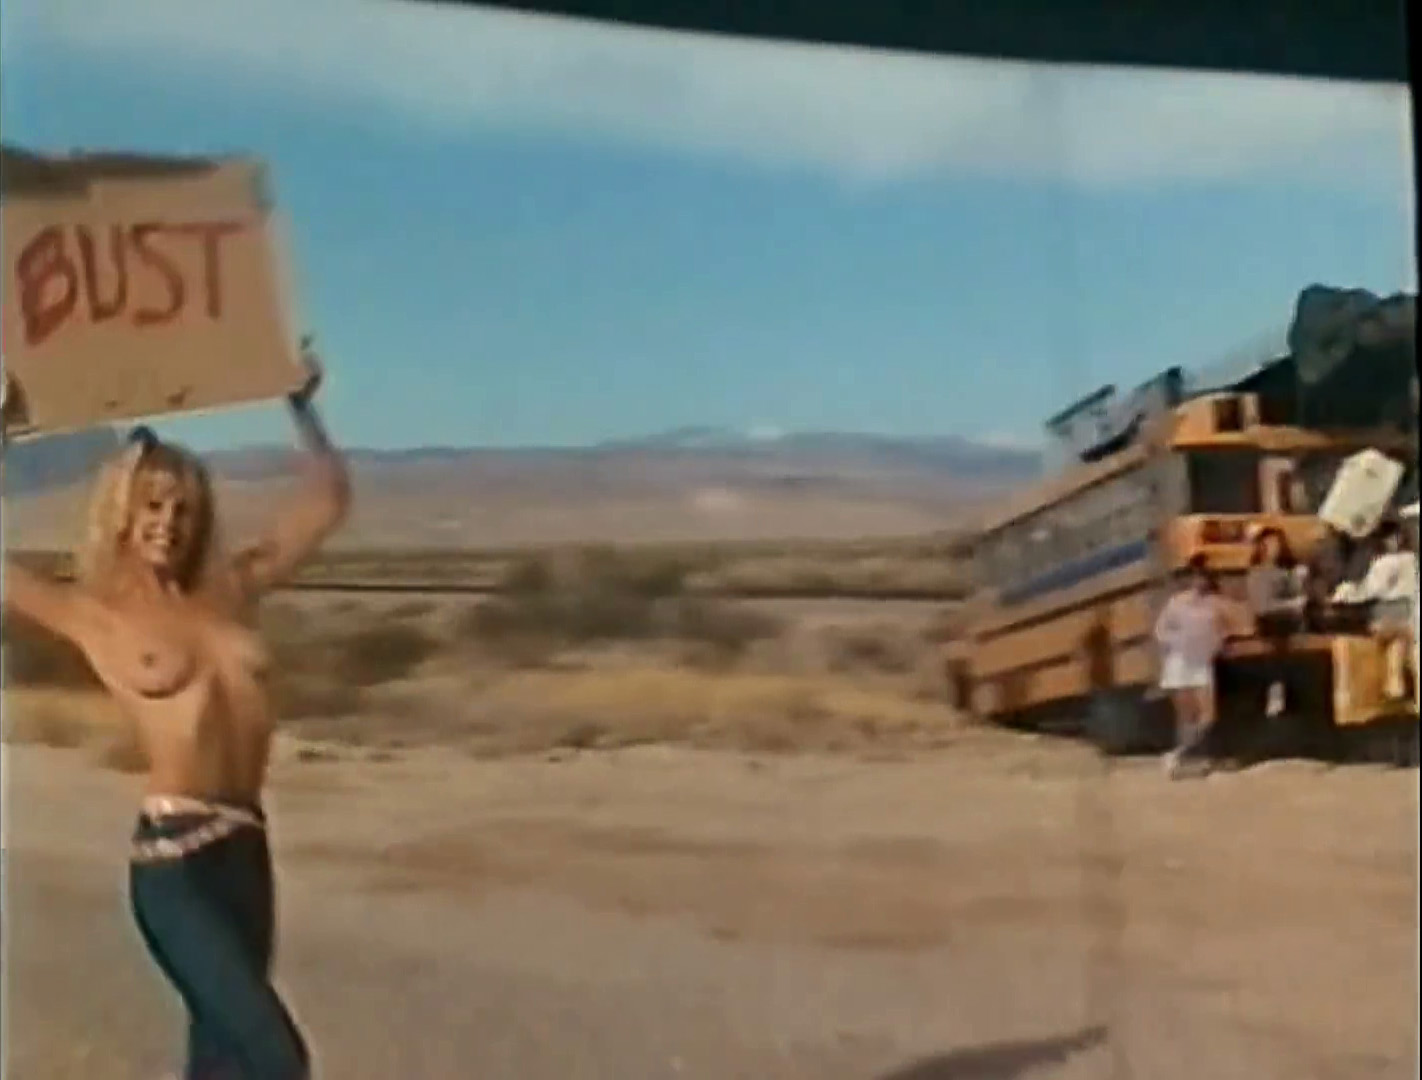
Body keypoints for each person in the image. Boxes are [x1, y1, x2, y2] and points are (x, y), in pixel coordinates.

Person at [1, 352, 350, 1080]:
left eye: (184, 509)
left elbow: (326, 503)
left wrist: (302, 408)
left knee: (223, 1062)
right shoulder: (94, 614)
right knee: (277, 1057)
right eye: (154, 507)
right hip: (175, 865)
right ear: (124, 515)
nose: (169, 524)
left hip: (246, 853)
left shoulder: (231, 590)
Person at [1153, 554, 1232, 778]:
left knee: (1208, 717)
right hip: (1180, 664)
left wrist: (1216, 644)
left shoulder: (1215, 604)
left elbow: (1222, 630)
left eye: (1205, 577)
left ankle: (1180, 754)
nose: (1201, 581)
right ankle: (1183, 760)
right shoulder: (1177, 603)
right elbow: (1160, 630)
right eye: (1197, 576)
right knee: (1187, 718)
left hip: (1202, 664)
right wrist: (1178, 641)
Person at [1350, 519, 1417, 701]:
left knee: (1398, 639)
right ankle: (1395, 684)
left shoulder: (1385, 563)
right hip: (1406, 617)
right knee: (1400, 642)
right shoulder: (1411, 560)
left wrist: (1348, 592)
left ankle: (1395, 684)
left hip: (1387, 617)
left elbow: (1370, 591)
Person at [1244, 526, 1308, 718]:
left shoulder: (1286, 571)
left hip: (1292, 619)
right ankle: (1276, 688)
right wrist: (1292, 604)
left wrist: (1299, 580)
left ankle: (1279, 687)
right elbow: (1262, 606)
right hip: (1271, 619)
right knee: (1275, 633)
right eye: (1269, 544)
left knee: (1281, 633)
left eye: (1277, 544)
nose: (1274, 548)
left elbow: (1300, 595)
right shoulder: (1257, 572)